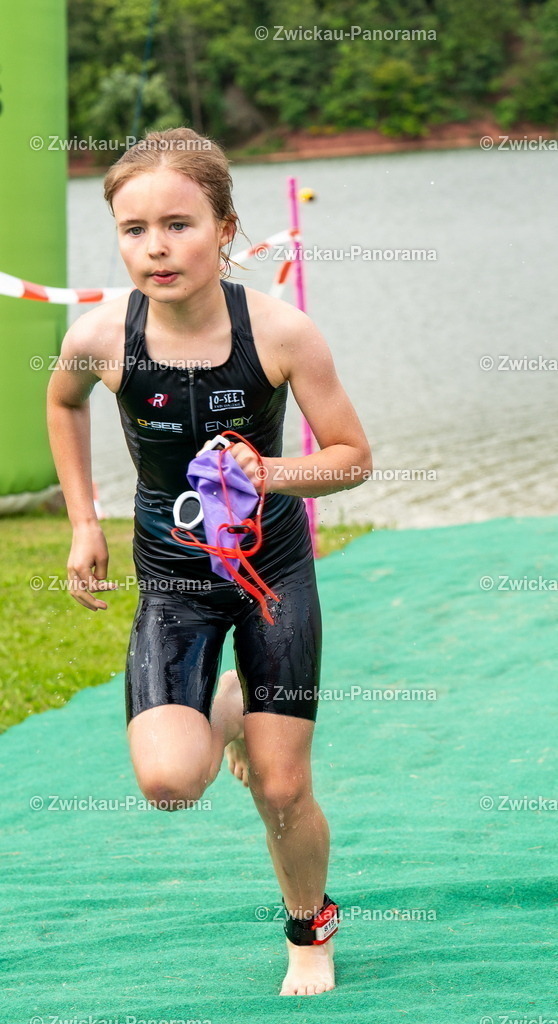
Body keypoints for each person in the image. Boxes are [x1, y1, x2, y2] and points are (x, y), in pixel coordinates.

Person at [46, 126, 372, 997]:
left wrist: (272, 472)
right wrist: (85, 519)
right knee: (168, 781)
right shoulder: (100, 335)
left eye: (180, 224)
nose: (156, 247)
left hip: (271, 575)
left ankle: (310, 929)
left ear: (226, 227)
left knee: (280, 785)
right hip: (175, 582)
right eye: (134, 228)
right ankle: (223, 705)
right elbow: (63, 400)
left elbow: (352, 456)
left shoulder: (281, 331)